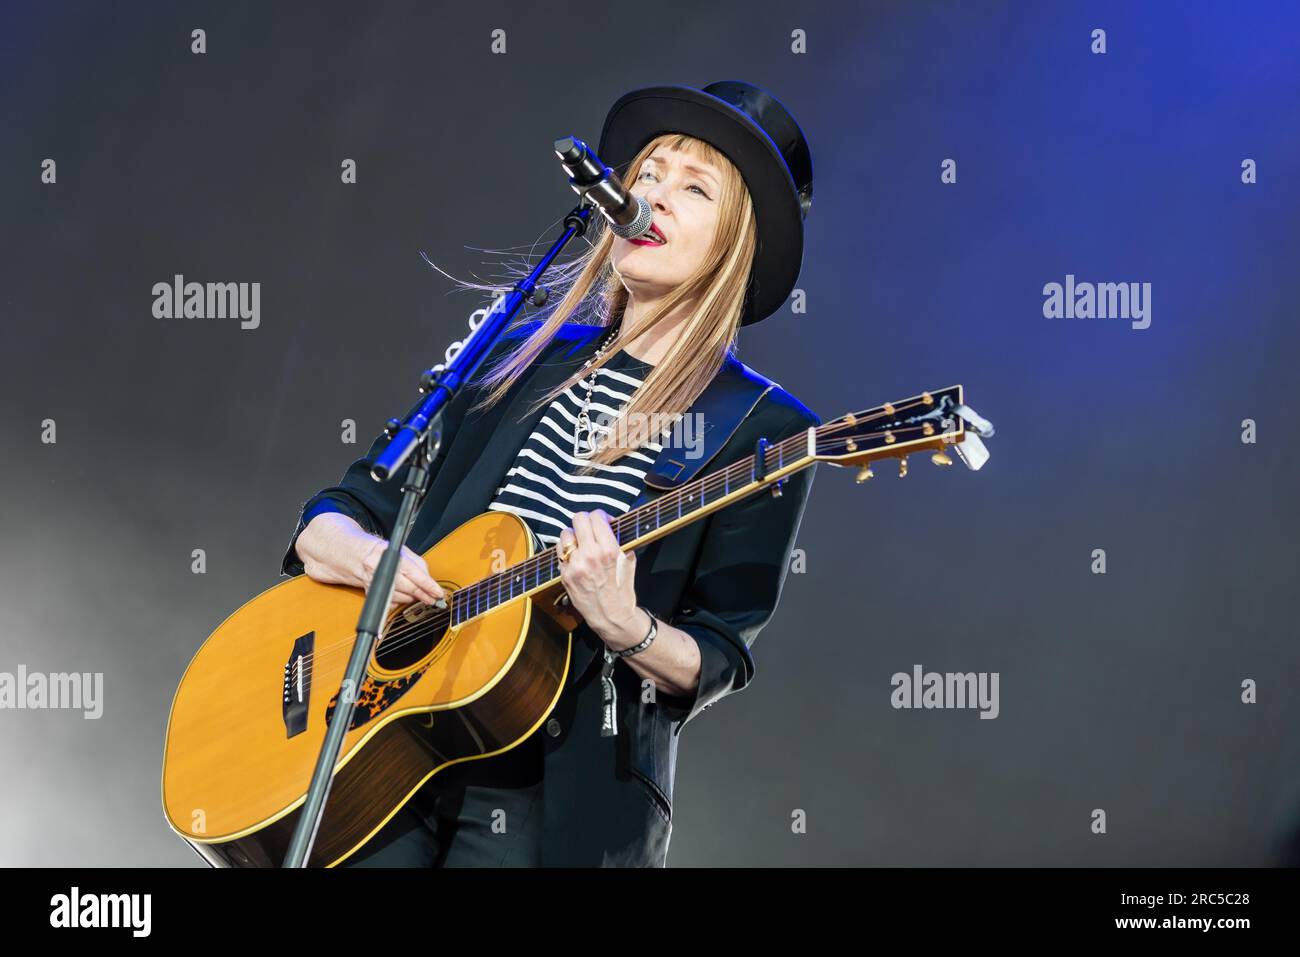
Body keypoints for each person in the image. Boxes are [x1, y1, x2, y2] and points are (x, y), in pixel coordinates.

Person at [280, 80, 820, 867]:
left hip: (554, 792)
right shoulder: (519, 352)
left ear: (736, 241)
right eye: (648, 174)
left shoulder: (763, 426)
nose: (655, 196)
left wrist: (622, 621)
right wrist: (362, 554)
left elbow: (718, 653)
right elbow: (343, 506)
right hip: (388, 737)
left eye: (694, 186)